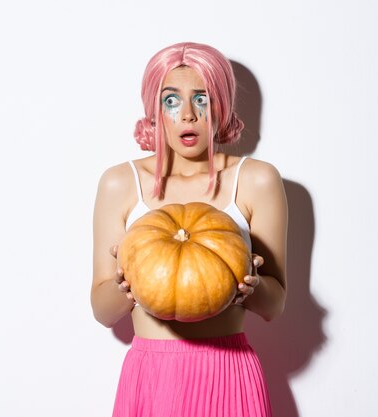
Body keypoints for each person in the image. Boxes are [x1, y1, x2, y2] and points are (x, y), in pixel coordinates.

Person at [91, 42, 288, 417]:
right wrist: (127, 282)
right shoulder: (120, 183)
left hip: (228, 371)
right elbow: (102, 310)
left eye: (202, 99)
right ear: (153, 110)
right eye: (170, 101)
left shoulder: (257, 180)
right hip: (152, 377)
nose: (187, 115)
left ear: (222, 106)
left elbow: (275, 304)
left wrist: (249, 284)